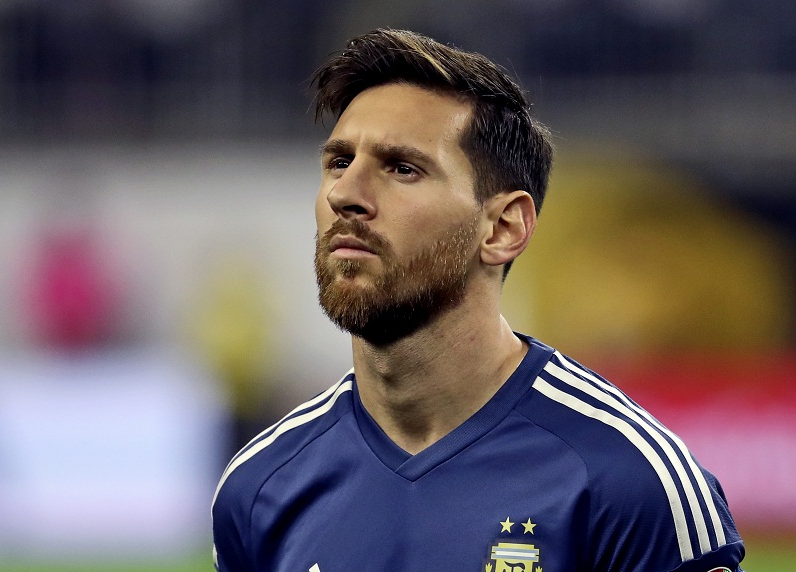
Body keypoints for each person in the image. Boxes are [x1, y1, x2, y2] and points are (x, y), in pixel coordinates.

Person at [211, 29, 745, 571]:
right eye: (339, 161)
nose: (346, 194)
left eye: (402, 168)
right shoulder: (260, 487)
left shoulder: (628, 481)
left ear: (503, 227)